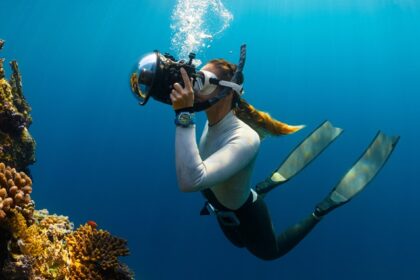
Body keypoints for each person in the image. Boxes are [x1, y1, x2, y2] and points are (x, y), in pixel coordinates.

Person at [169, 59, 399, 260]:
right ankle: (264, 186)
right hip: (219, 205)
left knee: (270, 253)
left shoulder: (245, 139)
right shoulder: (211, 122)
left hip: (246, 213)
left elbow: (191, 180)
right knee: (238, 243)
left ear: (227, 91)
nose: (193, 86)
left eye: (202, 80)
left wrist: (184, 115)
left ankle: (321, 210)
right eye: (194, 78)